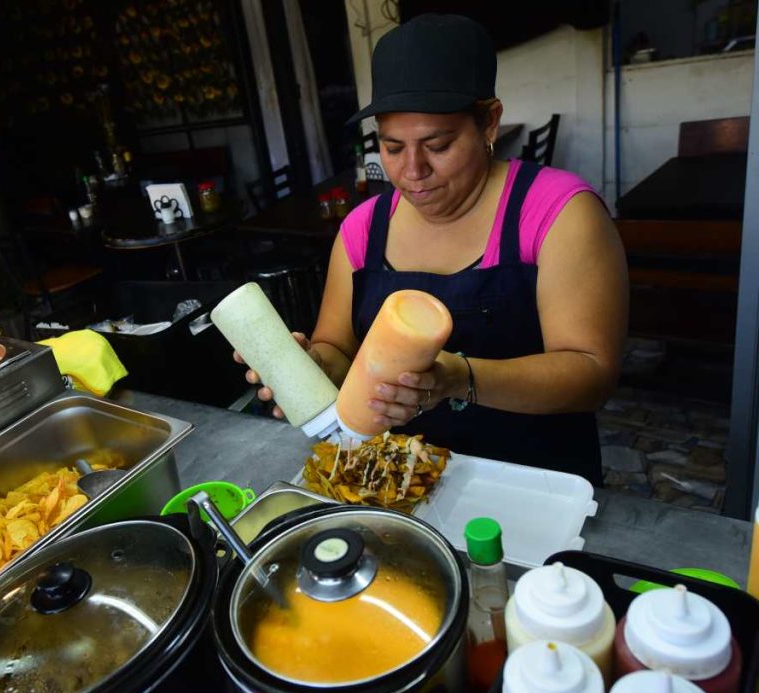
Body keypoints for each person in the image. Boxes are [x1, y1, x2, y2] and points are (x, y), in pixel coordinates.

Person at [240, 14, 627, 484]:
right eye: (392, 146)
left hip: (537, 483)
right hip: (401, 482)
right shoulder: (364, 229)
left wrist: (457, 377)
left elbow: (592, 374)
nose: (412, 171)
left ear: (489, 122)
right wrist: (310, 367)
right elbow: (337, 348)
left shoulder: (558, 212)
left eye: (437, 145)